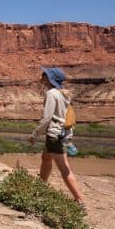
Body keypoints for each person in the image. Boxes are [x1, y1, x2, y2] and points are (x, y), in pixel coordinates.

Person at [28, 67, 84, 204]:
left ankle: (80, 200)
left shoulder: (52, 93)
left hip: (55, 135)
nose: (41, 76)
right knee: (46, 158)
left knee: (64, 168)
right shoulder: (62, 93)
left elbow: (47, 118)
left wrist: (35, 134)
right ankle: (40, 189)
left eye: (44, 74)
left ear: (49, 78)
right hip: (61, 133)